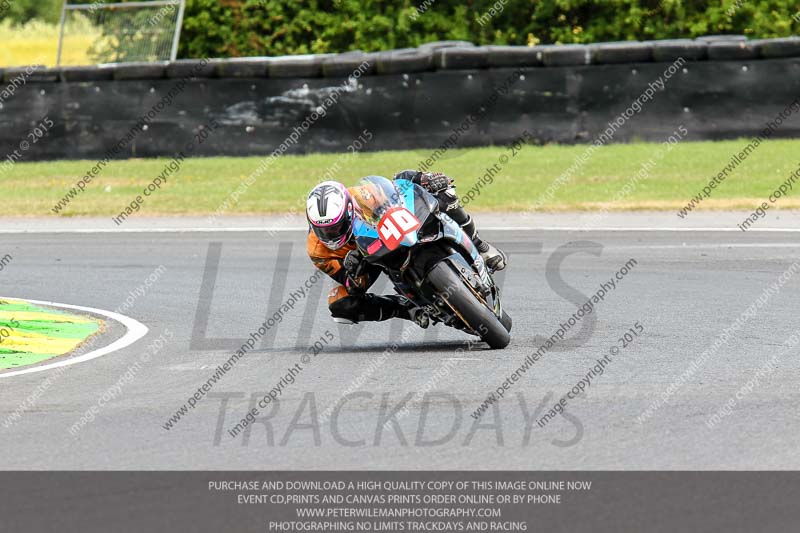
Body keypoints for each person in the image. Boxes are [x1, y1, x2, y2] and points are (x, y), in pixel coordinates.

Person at [305, 172, 507, 326]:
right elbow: (352, 285)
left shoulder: (362, 195)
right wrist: (353, 271)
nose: (330, 234)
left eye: (335, 227)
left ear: (349, 211)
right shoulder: (317, 251)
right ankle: (406, 309)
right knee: (339, 303)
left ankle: (480, 245)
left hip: (385, 233)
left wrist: (424, 179)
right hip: (366, 261)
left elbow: (398, 187)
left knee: (444, 194)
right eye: (324, 230)